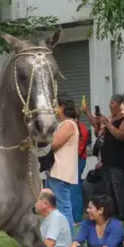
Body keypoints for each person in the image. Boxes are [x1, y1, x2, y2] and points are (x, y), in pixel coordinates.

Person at [45, 98, 79, 234]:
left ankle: (70, 241)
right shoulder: (63, 124)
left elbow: (53, 143)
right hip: (56, 171)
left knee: (63, 207)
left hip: (61, 171)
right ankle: (58, 235)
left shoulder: (68, 124)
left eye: (56, 106)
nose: (54, 109)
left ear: (63, 107)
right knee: (55, 206)